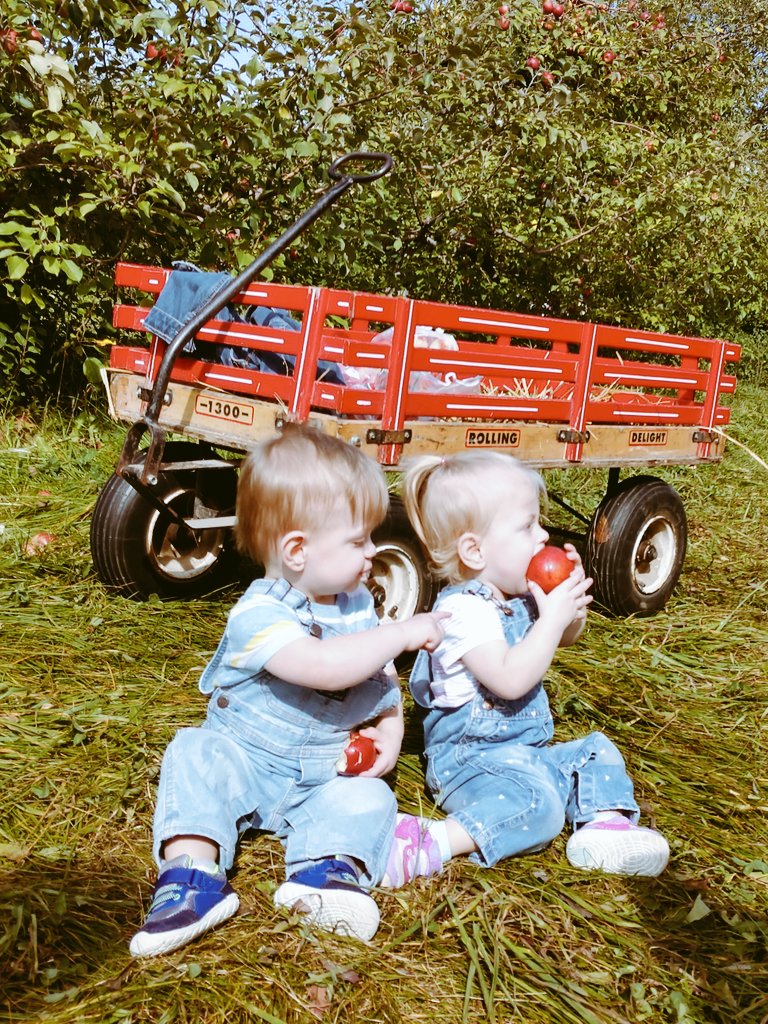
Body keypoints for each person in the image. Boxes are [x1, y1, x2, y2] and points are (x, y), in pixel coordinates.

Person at [129, 423, 448, 958]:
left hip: (326, 772)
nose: (372, 552)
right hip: (246, 759)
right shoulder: (259, 613)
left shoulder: (357, 606)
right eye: (357, 540)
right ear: (297, 550)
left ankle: (325, 871)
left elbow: (379, 674)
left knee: (369, 796)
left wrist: (390, 729)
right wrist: (400, 631)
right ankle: (191, 873)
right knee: (195, 754)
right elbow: (324, 666)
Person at [396, 451, 669, 881]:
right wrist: (553, 618)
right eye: (527, 526)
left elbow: (563, 637)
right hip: (469, 763)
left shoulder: (517, 594)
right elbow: (509, 679)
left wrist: (571, 606)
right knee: (539, 808)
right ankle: (431, 840)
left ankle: (604, 827)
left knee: (597, 749)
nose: (542, 535)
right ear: (475, 549)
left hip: (525, 752)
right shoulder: (464, 612)